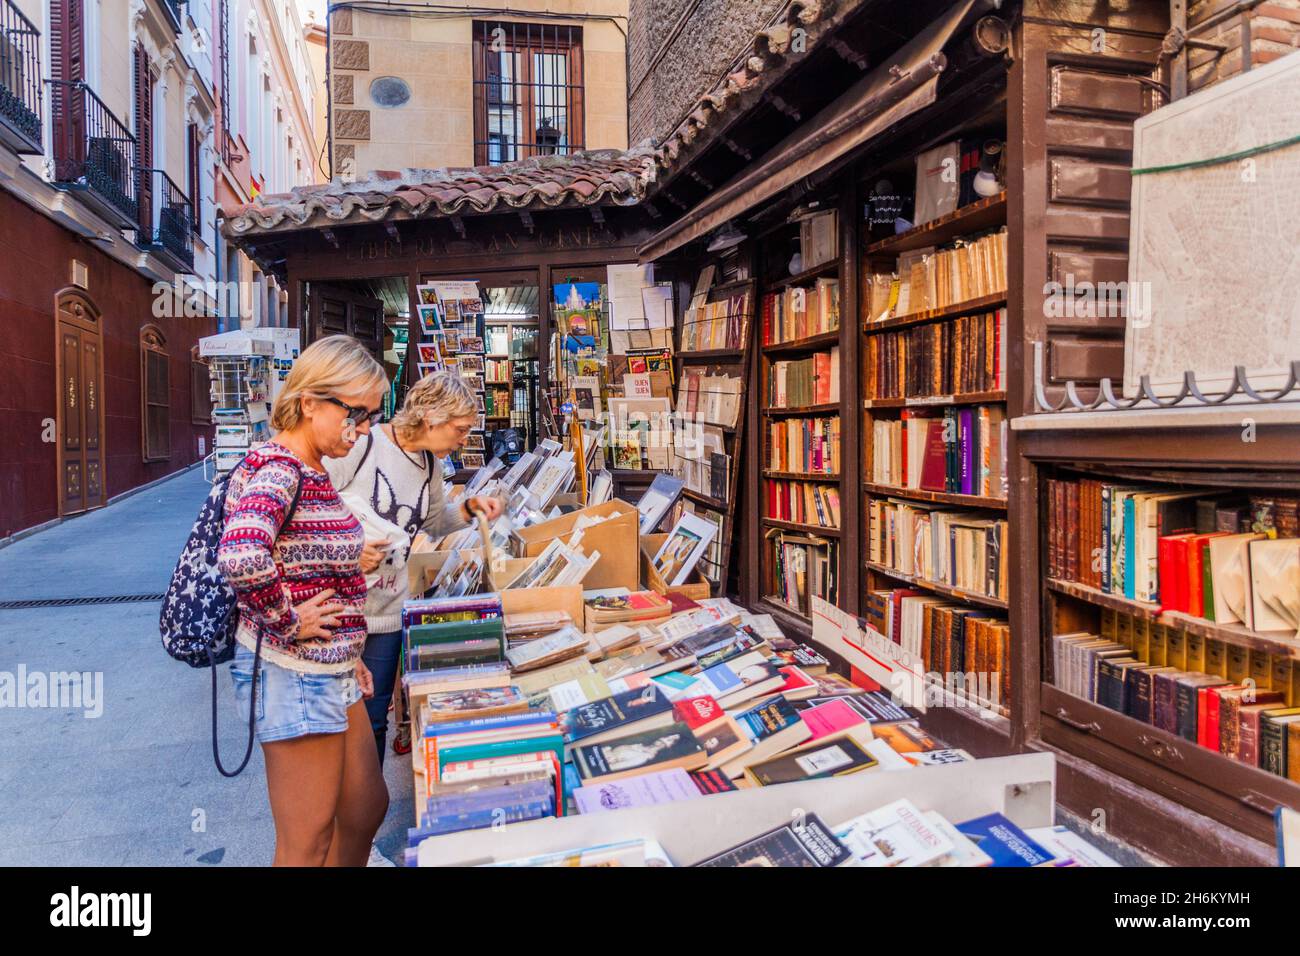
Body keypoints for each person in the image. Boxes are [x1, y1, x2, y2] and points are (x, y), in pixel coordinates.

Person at [217, 334, 389, 867]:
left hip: (329, 668)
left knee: (365, 808)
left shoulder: (311, 466)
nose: (362, 430)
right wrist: (287, 620)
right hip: (293, 670)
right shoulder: (280, 466)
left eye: (370, 417)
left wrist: (349, 650)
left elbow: (310, 568)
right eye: (355, 414)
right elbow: (243, 555)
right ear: (310, 401)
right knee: (306, 841)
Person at [325, 369, 502, 772]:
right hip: (340, 606)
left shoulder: (430, 466)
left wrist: (471, 509)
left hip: (386, 611)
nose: (464, 439)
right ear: (431, 417)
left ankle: (361, 818)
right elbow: (316, 504)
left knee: (371, 721)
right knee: (335, 718)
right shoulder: (365, 446)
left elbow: (433, 522)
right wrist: (348, 547)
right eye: (460, 429)